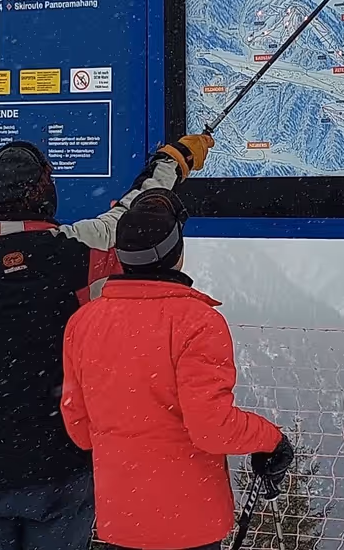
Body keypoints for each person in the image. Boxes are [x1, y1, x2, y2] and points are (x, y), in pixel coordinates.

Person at [0, 134, 214, 550]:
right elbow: (137, 213)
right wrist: (172, 161)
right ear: (46, 192)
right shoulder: (82, 249)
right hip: (62, 461)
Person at [59, 178, 294, 550]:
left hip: (122, 520)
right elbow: (211, 428)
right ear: (177, 253)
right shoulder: (197, 322)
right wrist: (272, 440)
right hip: (191, 524)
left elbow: (78, 427)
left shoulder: (85, 321)